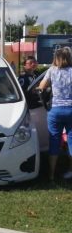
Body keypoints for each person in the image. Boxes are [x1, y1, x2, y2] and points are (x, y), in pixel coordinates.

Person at [38, 47, 72, 181]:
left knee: (54, 141)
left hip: (55, 110)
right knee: (71, 141)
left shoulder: (52, 70)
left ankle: (51, 175)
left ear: (56, 58)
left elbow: (41, 87)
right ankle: (70, 171)